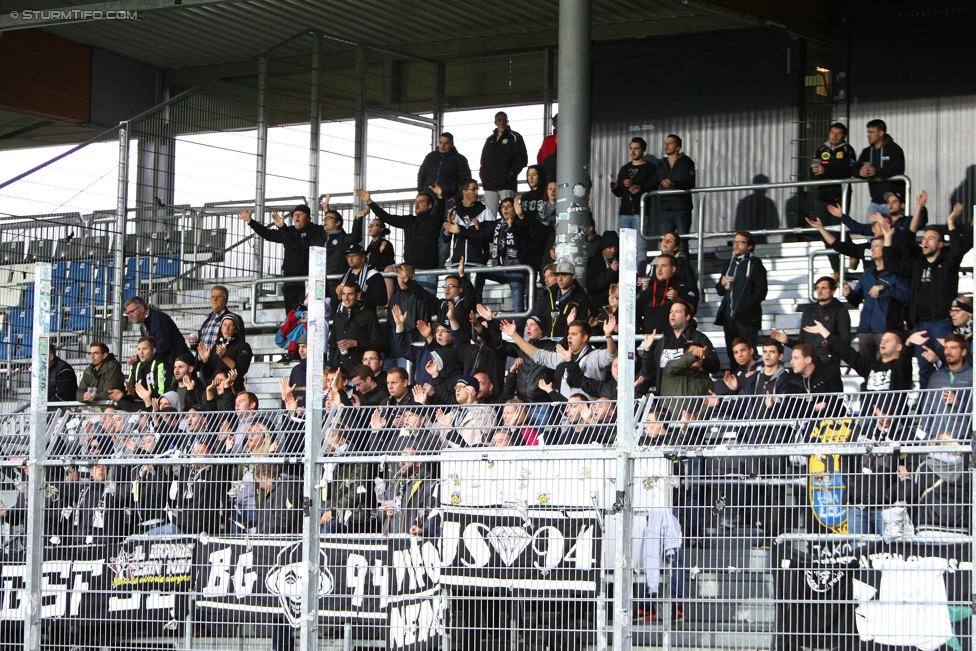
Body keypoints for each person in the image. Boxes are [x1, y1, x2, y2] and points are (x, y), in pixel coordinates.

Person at [881, 204, 972, 388]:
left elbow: (957, 251)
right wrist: (888, 238)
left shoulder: (948, 264)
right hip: (920, 324)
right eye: (924, 238)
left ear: (940, 244)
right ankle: (926, 413)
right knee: (924, 370)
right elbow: (891, 265)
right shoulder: (916, 265)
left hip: (942, 323)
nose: (926, 241)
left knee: (948, 365)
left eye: (931, 238)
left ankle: (952, 405)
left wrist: (951, 222)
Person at [806, 216, 909, 359]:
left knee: (889, 366)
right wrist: (849, 293)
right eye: (871, 246)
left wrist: (885, 289)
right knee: (866, 368)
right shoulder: (867, 274)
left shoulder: (896, 274)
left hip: (886, 330)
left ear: (886, 249)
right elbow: (856, 300)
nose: (872, 249)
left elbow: (906, 297)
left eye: (876, 247)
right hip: (865, 329)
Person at [238, 203, 326, 314]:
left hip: (310, 279)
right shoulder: (288, 231)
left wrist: (327, 210)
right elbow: (267, 234)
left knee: (308, 314)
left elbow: (297, 245)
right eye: (295, 214)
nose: (297, 216)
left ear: (308, 217)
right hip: (290, 280)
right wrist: (250, 221)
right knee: (291, 315)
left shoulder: (316, 231)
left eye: (301, 214)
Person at [502, 318, 616, 400]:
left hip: (589, 413)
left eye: (574, 334)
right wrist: (514, 335)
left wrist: (608, 336)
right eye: (569, 334)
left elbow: (611, 354)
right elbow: (537, 354)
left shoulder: (595, 356)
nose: (569, 336)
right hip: (566, 414)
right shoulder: (562, 356)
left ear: (585, 337)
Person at [358, 186, 444, 291]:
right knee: (388, 270)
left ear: (430, 205)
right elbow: (387, 217)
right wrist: (370, 202)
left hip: (427, 269)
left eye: (421, 202)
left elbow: (440, 213)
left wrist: (440, 197)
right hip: (408, 268)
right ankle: (387, 305)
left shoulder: (433, 221)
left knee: (426, 304)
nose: (417, 204)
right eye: (416, 201)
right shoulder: (409, 220)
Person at [771, 277, 850, 377]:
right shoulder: (808, 311)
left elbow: (845, 341)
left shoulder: (840, 311)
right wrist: (787, 341)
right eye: (817, 288)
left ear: (833, 291)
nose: (819, 291)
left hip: (829, 366)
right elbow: (803, 342)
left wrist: (831, 341)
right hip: (807, 366)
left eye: (823, 288)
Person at [639, 299, 718, 397]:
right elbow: (650, 370)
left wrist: (701, 358)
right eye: (671, 312)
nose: (672, 314)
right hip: (666, 395)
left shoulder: (699, 338)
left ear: (687, 316)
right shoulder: (663, 341)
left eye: (678, 312)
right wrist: (647, 351)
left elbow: (715, 366)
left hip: (690, 394)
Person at [714, 231, 767, 373]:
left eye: (740, 242)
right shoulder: (729, 263)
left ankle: (750, 385)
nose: (735, 245)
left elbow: (761, 292)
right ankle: (735, 385)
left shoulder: (756, 265)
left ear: (749, 246)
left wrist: (747, 305)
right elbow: (720, 290)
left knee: (748, 354)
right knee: (733, 354)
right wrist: (722, 283)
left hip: (747, 317)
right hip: (728, 316)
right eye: (734, 242)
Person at [610, 137, 657, 276]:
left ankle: (640, 278)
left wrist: (639, 187)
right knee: (625, 249)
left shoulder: (649, 168)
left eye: (636, 148)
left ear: (643, 150)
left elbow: (654, 185)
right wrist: (615, 188)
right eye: (631, 148)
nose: (633, 151)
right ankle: (627, 278)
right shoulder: (625, 168)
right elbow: (619, 193)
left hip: (640, 213)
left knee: (640, 248)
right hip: (624, 214)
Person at [919, 334, 972, 440]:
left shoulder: (972, 375)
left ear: (964, 352)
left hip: (962, 440)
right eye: (946, 347)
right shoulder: (935, 376)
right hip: (936, 439)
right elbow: (926, 410)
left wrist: (958, 403)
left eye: (953, 348)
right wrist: (925, 439)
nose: (948, 352)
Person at [852, 119, 906, 216]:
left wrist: (877, 171)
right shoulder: (866, 152)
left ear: (881, 133)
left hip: (892, 202)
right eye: (868, 132)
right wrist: (860, 172)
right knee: (869, 230)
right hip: (875, 202)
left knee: (893, 230)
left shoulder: (895, 149)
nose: (868, 135)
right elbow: (854, 170)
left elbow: (898, 169)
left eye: (872, 132)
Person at [655, 134, 696, 259]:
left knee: (682, 244)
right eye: (665, 143)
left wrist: (673, 183)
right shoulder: (661, 164)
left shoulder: (687, 162)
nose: (666, 146)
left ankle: (684, 274)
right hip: (666, 208)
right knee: (666, 245)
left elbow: (690, 182)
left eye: (670, 143)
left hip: (681, 208)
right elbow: (654, 181)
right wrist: (638, 187)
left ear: (678, 147)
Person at [329, 282, 386, 372]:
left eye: (350, 294)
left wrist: (356, 343)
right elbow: (332, 343)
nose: (346, 298)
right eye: (343, 294)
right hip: (339, 369)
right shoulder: (338, 315)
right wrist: (332, 364)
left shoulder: (368, 314)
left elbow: (378, 344)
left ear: (358, 295)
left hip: (359, 370)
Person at [479, 111, 528, 213]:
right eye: (499, 120)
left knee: (509, 213)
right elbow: (483, 160)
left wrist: (510, 174)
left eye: (504, 119)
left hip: (507, 184)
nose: (502, 122)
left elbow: (522, 158)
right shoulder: (489, 140)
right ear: (495, 122)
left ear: (507, 121)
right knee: (489, 215)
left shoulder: (515, 137)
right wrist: (483, 176)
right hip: (489, 185)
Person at [123, 296, 189, 368]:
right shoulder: (144, 326)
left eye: (131, 312)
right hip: (167, 366)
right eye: (128, 313)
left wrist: (140, 357)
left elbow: (163, 345)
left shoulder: (158, 319)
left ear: (141, 309)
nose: (130, 316)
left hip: (179, 366)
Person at [532, 261, 591, 340]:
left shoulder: (581, 298)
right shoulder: (548, 294)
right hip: (547, 344)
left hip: (568, 345)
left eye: (564, 275)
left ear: (573, 276)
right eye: (557, 275)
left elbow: (585, 324)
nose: (559, 279)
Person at [443, 179, 494, 268]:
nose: (477, 192)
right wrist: (448, 230)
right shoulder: (453, 212)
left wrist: (479, 229)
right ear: (464, 192)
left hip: (478, 264)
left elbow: (491, 236)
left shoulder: (486, 211)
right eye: (473, 189)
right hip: (457, 264)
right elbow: (445, 239)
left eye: (477, 189)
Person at [811, 122, 856, 221]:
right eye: (832, 132)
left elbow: (847, 172)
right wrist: (816, 171)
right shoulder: (821, 150)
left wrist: (825, 171)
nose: (834, 136)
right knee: (823, 230)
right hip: (822, 197)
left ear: (844, 136)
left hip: (839, 197)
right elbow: (812, 171)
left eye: (838, 133)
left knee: (837, 230)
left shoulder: (848, 150)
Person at [199, 313, 252, 393]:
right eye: (224, 325)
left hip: (233, 389)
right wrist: (205, 361)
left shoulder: (243, 346)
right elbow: (207, 375)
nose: (226, 328)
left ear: (236, 329)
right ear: (221, 328)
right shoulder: (215, 347)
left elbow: (241, 370)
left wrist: (224, 357)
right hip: (216, 390)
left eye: (231, 325)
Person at [113, 336, 172, 407]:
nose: (141, 352)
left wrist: (145, 394)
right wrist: (123, 394)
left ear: (153, 350)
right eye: (139, 349)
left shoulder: (162, 365)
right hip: (138, 403)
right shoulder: (135, 366)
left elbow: (161, 393)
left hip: (155, 404)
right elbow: (130, 391)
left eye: (144, 349)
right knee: (117, 405)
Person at [417, 132, 471, 202]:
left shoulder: (460, 159)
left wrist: (457, 197)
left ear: (452, 144)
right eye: (440, 142)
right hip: (430, 197)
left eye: (446, 143)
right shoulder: (430, 157)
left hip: (449, 198)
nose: (442, 146)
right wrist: (421, 192)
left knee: (448, 213)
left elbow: (466, 180)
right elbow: (421, 175)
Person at [188, 285, 238, 355]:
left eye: (219, 297)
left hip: (220, 364)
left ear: (226, 300)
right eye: (213, 297)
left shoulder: (233, 319)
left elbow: (238, 345)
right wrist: (195, 343)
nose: (215, 299)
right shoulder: (208, 320)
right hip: (204, 364)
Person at [338, 243, 387, 312]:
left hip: (365, 317)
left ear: (363, 257)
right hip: (346, 317)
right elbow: (334, 305)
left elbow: (382, 300)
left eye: (354, 255)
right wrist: (338, 295)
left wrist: (362, 295)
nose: (350, 259)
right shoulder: (345, 278)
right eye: (348, 256)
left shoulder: (374, 275)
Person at [586, 231, 619, 304]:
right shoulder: (594, 262)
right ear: (603, 247)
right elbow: (592, 286)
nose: (613, 250)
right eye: (610, 247)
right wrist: (610, 271)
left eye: (615, 247)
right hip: (600, 306)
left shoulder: (621, 261)